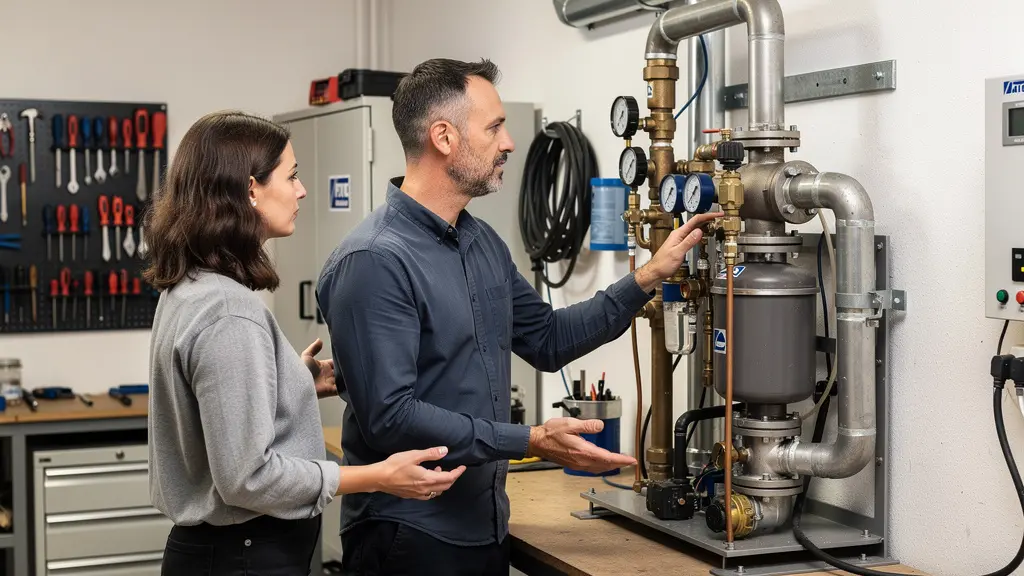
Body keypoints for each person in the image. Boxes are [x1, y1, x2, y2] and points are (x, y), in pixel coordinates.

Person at [317, 59, 721, 574]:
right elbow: (392, 417)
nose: (508, 142)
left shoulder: (480, 241)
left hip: (484, 527)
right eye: (493, 127)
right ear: (443, 137)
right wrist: (529, 440)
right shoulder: (375, 261)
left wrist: (645, 279)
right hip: (407, 536)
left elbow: (546, 339)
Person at [144, 111, 467, 576]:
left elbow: (214, 411)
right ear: (251, 189)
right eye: (292, 176)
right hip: (244, 556)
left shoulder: (189, 288)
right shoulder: (230, 312)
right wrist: (378, 476)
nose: (301, 190)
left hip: (225, 552)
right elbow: (247, 479)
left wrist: (287, 383)